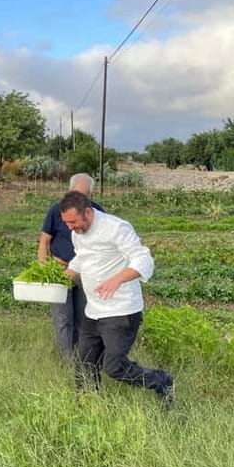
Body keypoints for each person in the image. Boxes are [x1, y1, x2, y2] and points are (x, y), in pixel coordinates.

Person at [60, 190, 175, 403]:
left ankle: (162, 381)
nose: (70, 227)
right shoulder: (78, 233)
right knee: (84, 366)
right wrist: (59, 276)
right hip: (93, 311)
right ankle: (89, 407)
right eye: (66, 223)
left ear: (87, 212)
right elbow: (81, 259)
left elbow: (143, 259)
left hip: (121, 311)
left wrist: (118, 279)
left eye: (73, 221)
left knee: (114, 367)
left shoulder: (116, 228)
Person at [37, 173, 104, 356]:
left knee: (85, 318)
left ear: (91, 194)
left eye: (84, 196)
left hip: (86, 273)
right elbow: (44, 240)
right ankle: (66, 360)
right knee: (63, 319)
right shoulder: (56, 211)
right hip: (60, 270)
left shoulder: (97, 213)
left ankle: (82, 358)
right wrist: (43, 267)